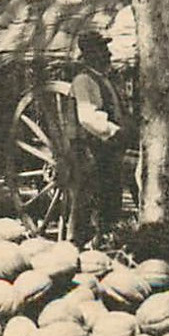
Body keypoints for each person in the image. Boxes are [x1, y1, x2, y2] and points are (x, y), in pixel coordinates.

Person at [66, 32, 126, 242]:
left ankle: (105, 236)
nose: (108, 54)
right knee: (88, 192)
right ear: (91, 54)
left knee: (110, 189)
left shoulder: (103, 80)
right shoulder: (83, 81)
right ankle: (79, 241)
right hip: (88, 145)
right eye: (103, 50)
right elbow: (87, 117)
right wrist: (113, 131)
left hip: (105, 144)